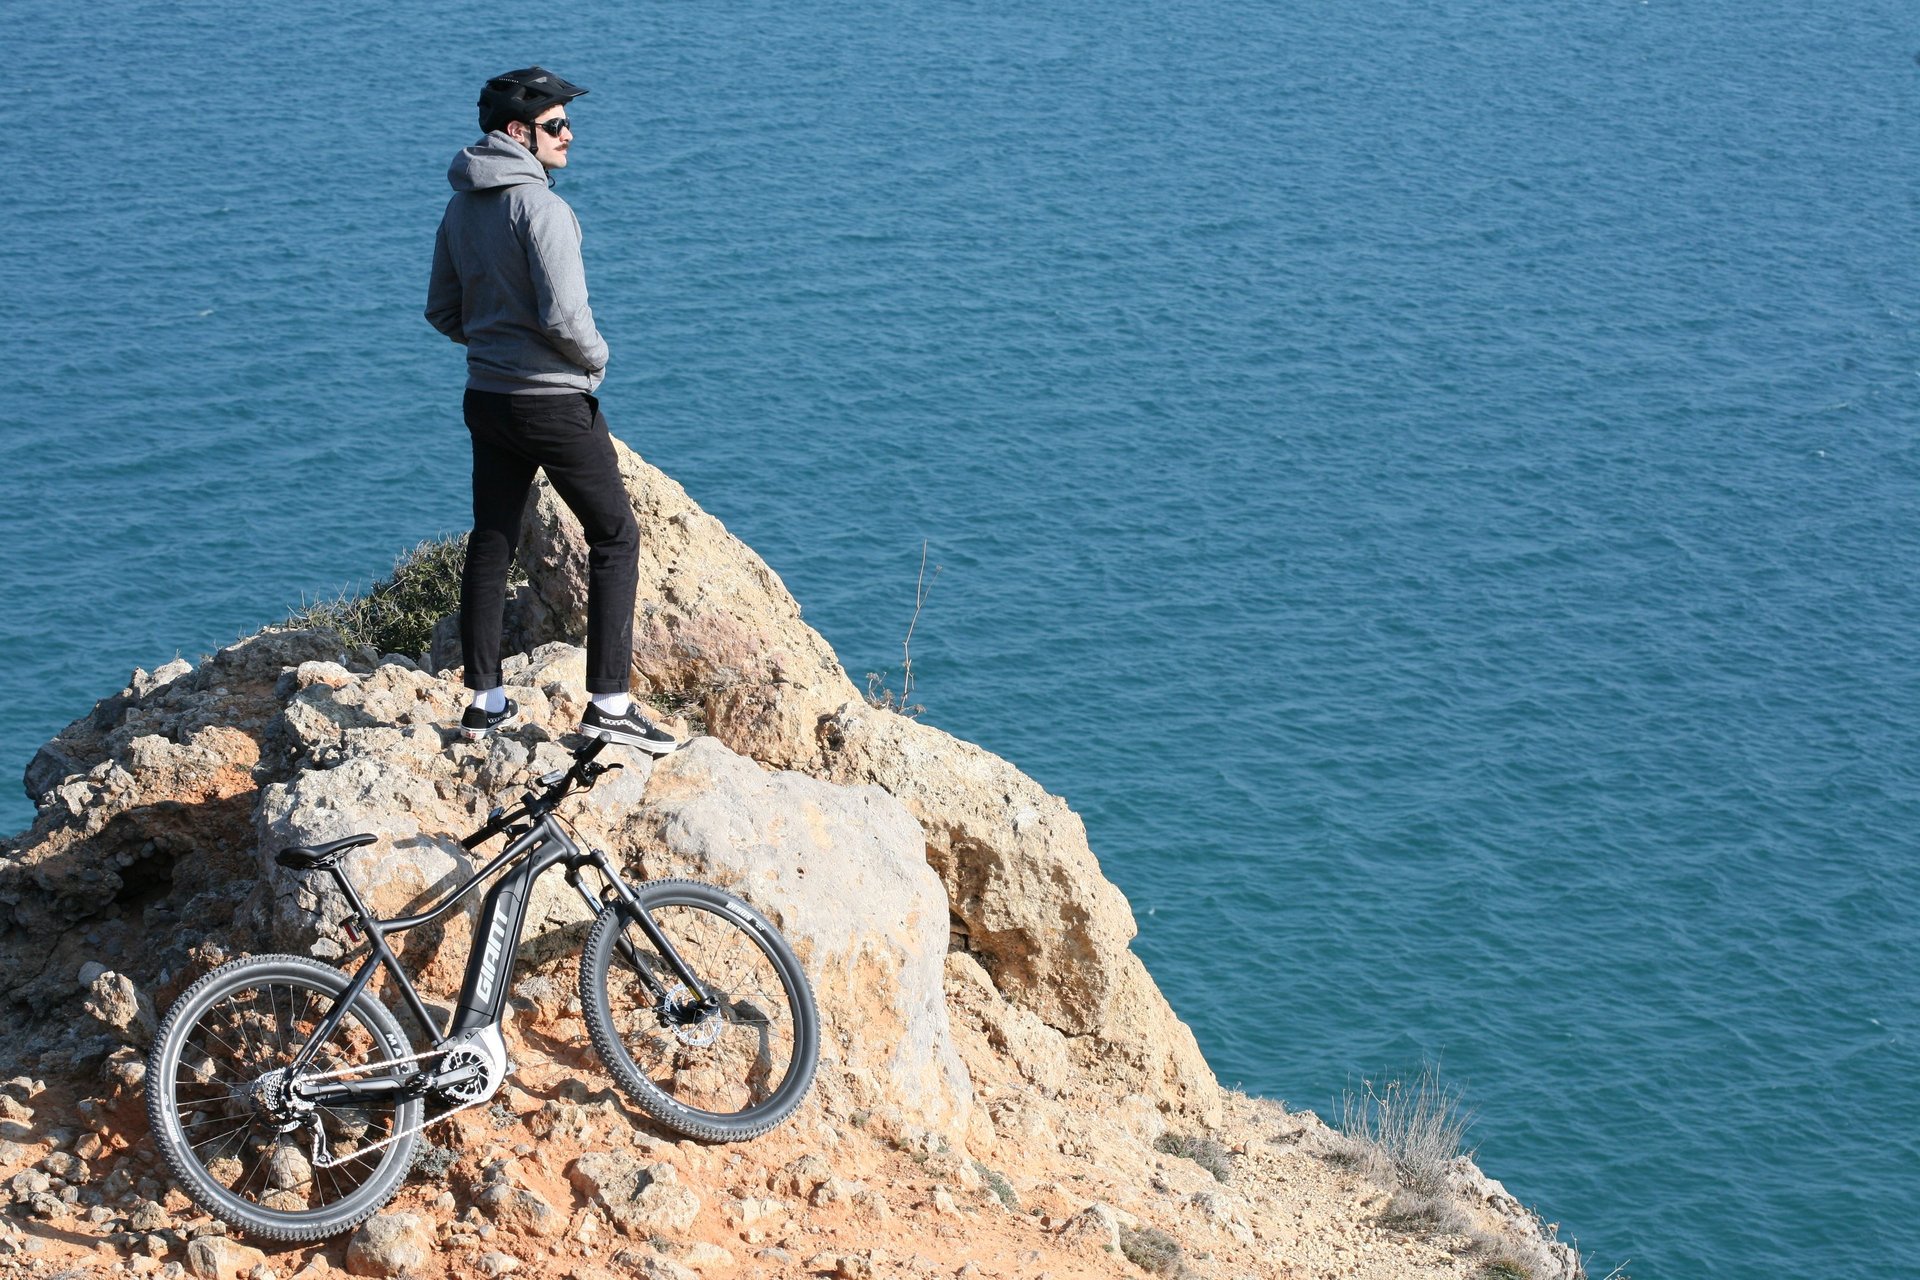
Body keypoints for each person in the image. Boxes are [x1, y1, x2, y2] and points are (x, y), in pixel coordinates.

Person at [426, 66, 678, 754]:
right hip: (552, 402)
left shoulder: (461, 207)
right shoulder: (543, 210)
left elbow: (442, 309)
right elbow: (567, 316)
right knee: (615, 537)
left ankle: (483, 703)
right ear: (518, 132)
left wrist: (491, 343)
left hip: (488, 397)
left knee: (493, 537)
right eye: (556, 125)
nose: (570, 135)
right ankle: (610, 705)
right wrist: (593, 360)